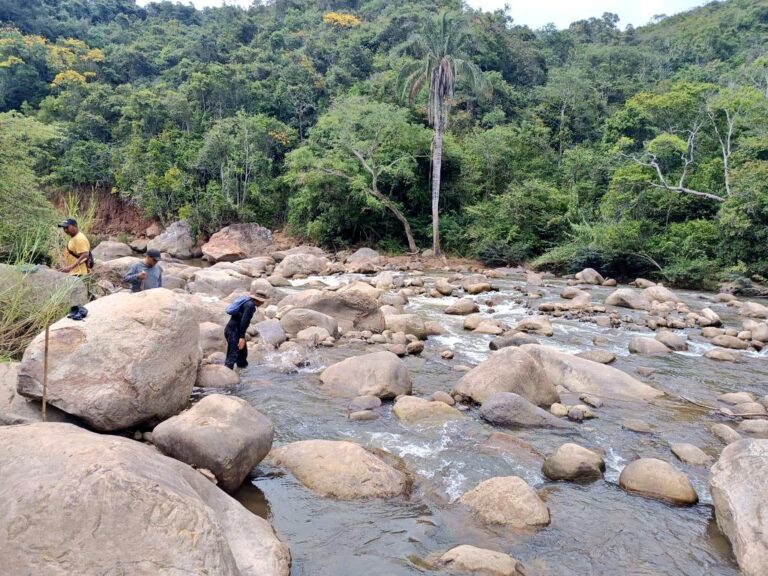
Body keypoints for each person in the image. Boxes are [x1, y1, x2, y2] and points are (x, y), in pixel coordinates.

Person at [224, 290, 267, 370]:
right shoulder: (250, 306)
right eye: (262, 302)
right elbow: (244, 322)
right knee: (232, 356)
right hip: (234, 332)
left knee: (242, 355)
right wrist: (242, 337)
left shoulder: (247, 302)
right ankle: (227, 377)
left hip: (231, 330)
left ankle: (242, 375)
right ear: (259, 300)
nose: (263, 304)